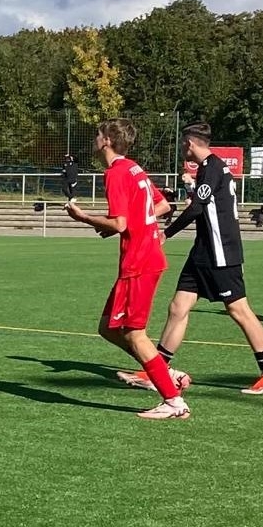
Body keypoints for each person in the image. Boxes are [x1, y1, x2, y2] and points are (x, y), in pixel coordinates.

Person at [117, 123, 263, 396]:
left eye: (183, 144)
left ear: (190, 143)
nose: (182, 149)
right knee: (178, 307)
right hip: (203, 251)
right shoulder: (208, 168)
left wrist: (166, 233)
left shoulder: (212, 168)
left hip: (221, 252)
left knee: (239, 309)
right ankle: (157, 371)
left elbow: (196, 208)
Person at [63, 118, 189, 420]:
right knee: (107, 327)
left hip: (139, 262)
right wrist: (128, 225)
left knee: (134, 334)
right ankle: (165, 374)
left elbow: (120, 223)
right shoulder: (134, 168)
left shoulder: (116, 173)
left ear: (107, 140)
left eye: (98, 134)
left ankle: (173, 402)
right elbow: (162, 206)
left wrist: (83, 217)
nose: (95, 139)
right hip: (144, 258)